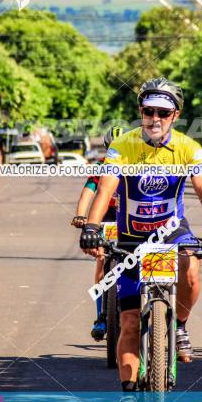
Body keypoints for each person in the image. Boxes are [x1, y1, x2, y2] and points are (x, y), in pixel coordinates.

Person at [79, 77, 202, 390]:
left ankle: (178, 324)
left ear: (175, 116)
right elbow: (106, 188)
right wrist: (92, 226)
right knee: (128, 322)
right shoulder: (123, 146)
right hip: (131, 237)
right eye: (149, 111)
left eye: (163, 113)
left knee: (192, 270)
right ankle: (128, 395)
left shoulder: (188, 148)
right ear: (140, 110)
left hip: (171, 230)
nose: (155, 118)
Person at [72, 125, 123, 341]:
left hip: (130, 215)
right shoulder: (101, 167)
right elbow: (88, 192)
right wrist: (81, 215)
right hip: (107, 214)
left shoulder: (138, 164)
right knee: (102, 260)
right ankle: (101, 316)